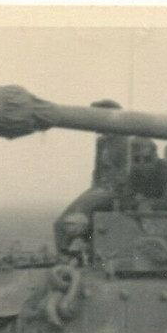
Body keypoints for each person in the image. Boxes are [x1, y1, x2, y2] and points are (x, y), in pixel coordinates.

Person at [53, 100, 130, 254]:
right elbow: (98, 170)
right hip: (100, 188)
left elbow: (126, 174)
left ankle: (80, 249)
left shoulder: (125, 141)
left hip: (116, 191)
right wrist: (95, 188)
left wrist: (109, 190)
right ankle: (64, 253)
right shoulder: (102, 142)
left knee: (79, 216)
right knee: (61, 222)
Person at [125, 137, 167, 212]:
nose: (142, 164)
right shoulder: (134, 173)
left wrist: (149, 204)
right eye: (136, 159)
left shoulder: (166, 171)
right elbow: (125, 198)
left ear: (155, 157)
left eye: (147, 159)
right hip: (158, 220)